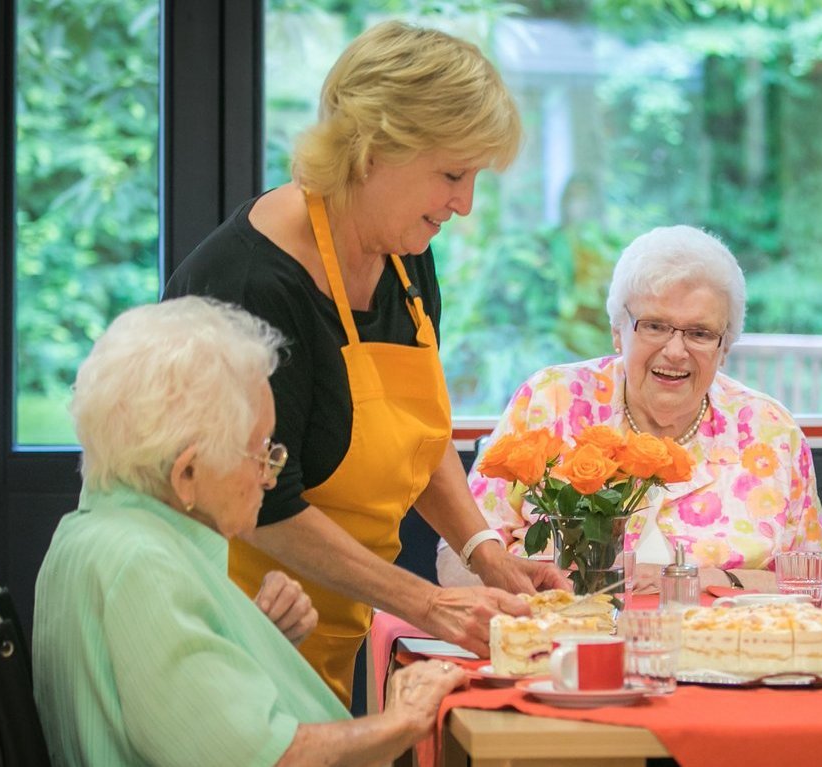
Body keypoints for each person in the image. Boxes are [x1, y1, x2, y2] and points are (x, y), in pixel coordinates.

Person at [162, 21, 565, 702]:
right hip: (226, 635)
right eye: (451, 174)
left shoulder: (404, 255)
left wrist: (487, 554)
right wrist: (428, 603)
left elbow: (415, 437)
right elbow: (265, 503)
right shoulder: (252, 283)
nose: (464, 205)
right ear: (373, 149)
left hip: (327, 633)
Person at [34, 297, 470, 766]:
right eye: (261, 451)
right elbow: (269, 761)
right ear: (186, 475)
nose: (270, 475)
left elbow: (165, 705)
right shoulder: (144, 566)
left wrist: (251, 634)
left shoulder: (90, 534)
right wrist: (404, 717)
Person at [438, 225, 822, 592]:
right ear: (617, 331)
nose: (675, 351)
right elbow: (459, 559)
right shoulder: (550, 400)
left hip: (727, 653)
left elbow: (818, 581)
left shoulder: (770, 431)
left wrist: (708, 580)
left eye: (700, 333)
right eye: (654, 326)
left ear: (724, 348)